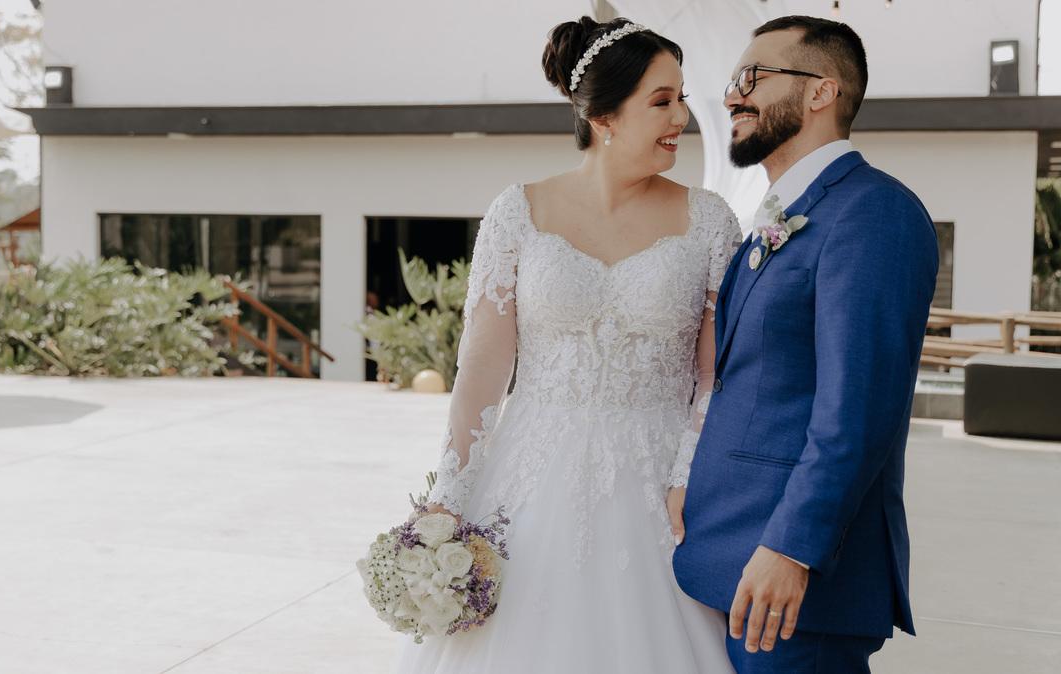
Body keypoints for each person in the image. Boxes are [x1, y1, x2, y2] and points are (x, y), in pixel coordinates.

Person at [392, 16, 739, 673]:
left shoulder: (710, 220)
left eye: (682, 97)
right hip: (527, 480)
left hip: (659, 487)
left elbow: (713, 377)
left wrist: (687, 477)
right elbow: (483, 370)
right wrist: (449, 498)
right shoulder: (517, 213)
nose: (683, 117)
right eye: (663, 101)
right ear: (604, 116)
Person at [670, 15, 939, 674]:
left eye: (751, 78)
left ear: (821, 92)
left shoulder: (873, 212)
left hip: (794, 588)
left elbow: (858, 412)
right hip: (728, 562)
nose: (732, 96)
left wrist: (792, 549)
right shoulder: (782, 213)